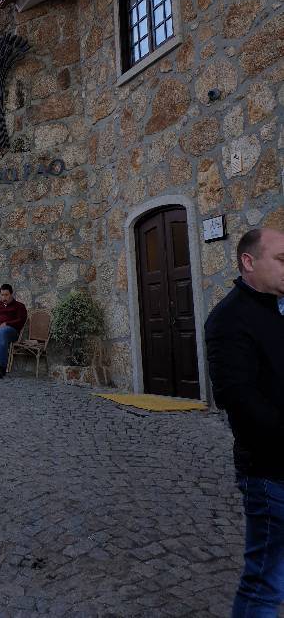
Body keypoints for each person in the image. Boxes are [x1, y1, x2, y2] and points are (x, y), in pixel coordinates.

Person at [205, 227, 284, 617]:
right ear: (248, 262)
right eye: (282, 260)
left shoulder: (278, 307)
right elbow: (240, 402)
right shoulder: (228, 320)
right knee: (264, 584)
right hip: (271, 472)